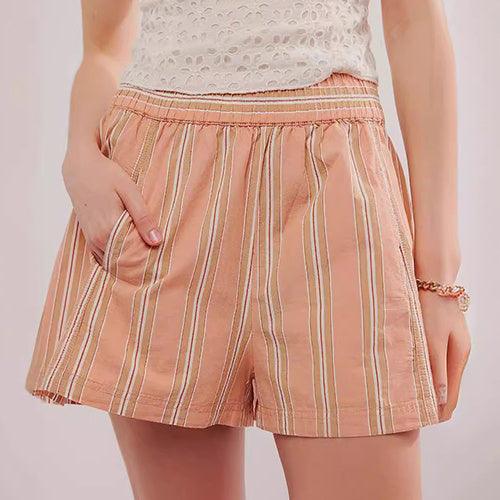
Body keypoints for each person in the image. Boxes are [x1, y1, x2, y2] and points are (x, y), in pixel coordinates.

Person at [25, 1, 471, 498]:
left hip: (334, 184)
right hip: (162, 192)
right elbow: (103, 47)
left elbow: (414, 21)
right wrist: (79, 155)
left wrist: (439, 280)